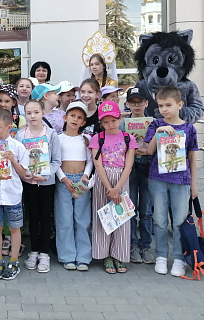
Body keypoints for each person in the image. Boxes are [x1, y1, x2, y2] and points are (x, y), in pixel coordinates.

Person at [144, 86, 198, 277]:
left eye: (168, 105)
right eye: (161, 106)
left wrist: (193, 184)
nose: (164, 109)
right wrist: (158, 132)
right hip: (158, 179)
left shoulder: (189, 128)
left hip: (181, 181)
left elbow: (192, 157)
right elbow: (149, 151)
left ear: (179, 105)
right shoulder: (156, 124)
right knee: (159, 219)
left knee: (179, 221)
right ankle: (161, 256)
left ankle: (179, 258)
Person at [90, 101, 138, 274]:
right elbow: (97, 164)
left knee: (121, 217)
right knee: (103, 218)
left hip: (121, 179)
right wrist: (109, 187)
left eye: (113, 120)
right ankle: (105, 255)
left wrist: (117, 188)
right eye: (106, 122)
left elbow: (129, 165)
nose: (110, 124)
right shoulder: (97, 138)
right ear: (101, 123)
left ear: (120, 119)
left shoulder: (128, 138)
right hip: (103, 180)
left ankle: (119, 254)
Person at [0, 110, 29, 280]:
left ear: (9, 127)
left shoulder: (17, 147)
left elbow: (23, 173)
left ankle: (14, 261)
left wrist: (13, 160)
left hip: (12, 195)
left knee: (15, 228)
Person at [16, 100, 61, 273]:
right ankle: (34, 251)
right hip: (28, 182)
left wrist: (46, 175)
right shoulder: (21, 135)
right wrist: (24, 174)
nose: (33, 116)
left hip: (46, 182)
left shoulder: (51, 134)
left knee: (45, 216)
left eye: (36, 112)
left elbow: (57, 160)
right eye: (29, 113)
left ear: (43, 112)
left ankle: (44, 253)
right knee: (32, 216)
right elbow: (18, 160)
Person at [55, 101, 94, 271]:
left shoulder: (86, 139)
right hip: (64, 182)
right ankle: (67, 256)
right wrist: (63, 178)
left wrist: (85, 175)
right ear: (65, 117)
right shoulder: (57, 138)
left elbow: (90, 160)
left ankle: (83, 257)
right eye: (72, 116)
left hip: (81, 181)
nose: (75, 119)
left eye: (79, 117)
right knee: (64, 219)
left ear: (83, 122)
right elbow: (55, 161)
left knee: (82, 219)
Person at [121, 87, 154, 265]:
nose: (136, 105)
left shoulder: (154, 123)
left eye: (140, 102)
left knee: (147, 211)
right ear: (127, 104)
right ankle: (132, 244)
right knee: (131, 209)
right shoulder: (122, 124)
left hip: (149, 170)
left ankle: (146, 245)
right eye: (132, 102)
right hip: (131, 170)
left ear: (146, 103)